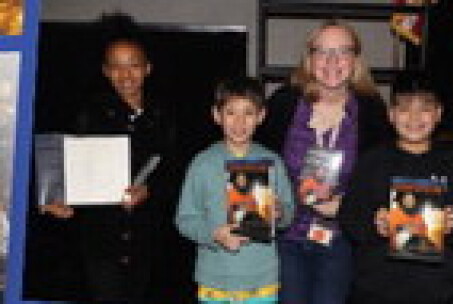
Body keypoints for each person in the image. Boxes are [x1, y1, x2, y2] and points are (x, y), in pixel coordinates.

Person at [39, 33, 183, 302]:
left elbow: (175, 173)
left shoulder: (163, 116)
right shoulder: (86, 113)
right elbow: (60, 162)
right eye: (116, 66)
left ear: (147, 68)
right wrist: (55, 199)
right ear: (105, 71)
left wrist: (149, 191)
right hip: (98, 242)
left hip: (148, 242)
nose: (125, 74)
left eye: (133, 65)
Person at [257, 19, 392, 304]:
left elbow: (381, 181)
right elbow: (258, 164)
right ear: (310, 58)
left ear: (355, 59)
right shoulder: (283, 104)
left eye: (343, 51)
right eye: (323, 51)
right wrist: (272, 201)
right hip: (286, 236)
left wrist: (348, 204)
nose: (332, 60)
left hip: (340, 240)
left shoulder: (372, 111)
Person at [338, 72, 453, 304]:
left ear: (438, 114)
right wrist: (375, 225)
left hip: (438, 290)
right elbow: (349, 218)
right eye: (405, 108)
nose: (414, 117)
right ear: (391, 114)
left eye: (425, 108)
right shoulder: (372, 161)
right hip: (377, 289)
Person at [175, 77, 294, 304]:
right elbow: (185, 219)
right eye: (230, 113)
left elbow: (289, 213)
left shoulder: (273, 162)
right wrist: (214, 234)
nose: (239, 122)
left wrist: (279, 213)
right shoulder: (202, 164)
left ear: (261, 116)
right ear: (216, 115)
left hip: (261, 279)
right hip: (215, 279)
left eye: (248, 113)